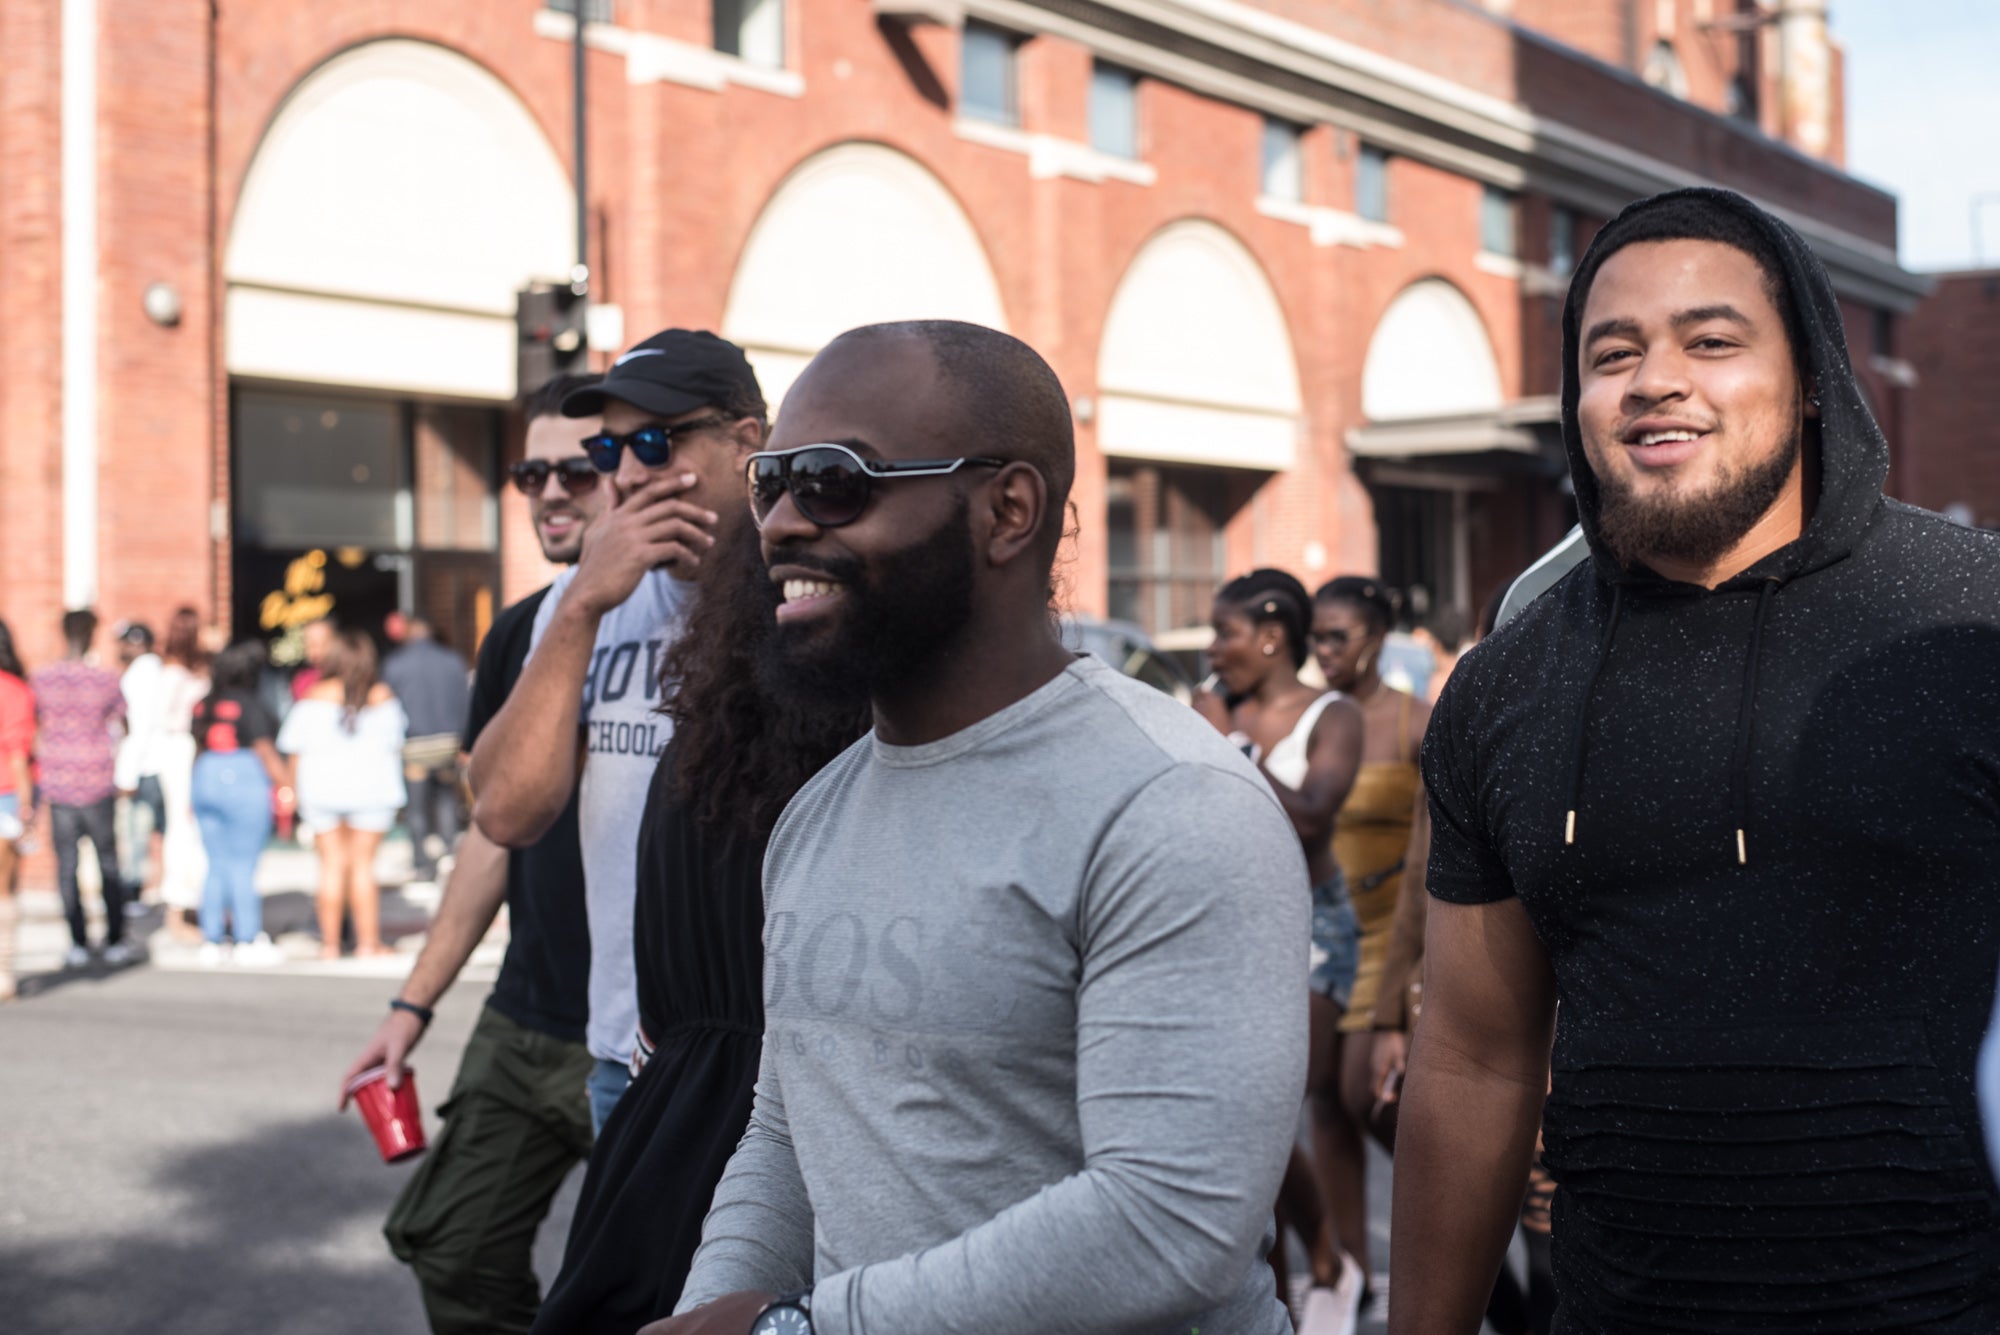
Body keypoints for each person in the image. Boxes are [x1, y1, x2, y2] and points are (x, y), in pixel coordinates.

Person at [1392, 187, 2000, 1333]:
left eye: (1709, 342)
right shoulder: (1501, 683)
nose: (1654, 379)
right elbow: (1474, 1058)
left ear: (1812, 375)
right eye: (1610, 352)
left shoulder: (1973, 620)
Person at [653, 320, 1307, 1335]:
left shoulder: (1172, 803)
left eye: (833, 480)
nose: (780, 522)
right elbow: (788, 1132)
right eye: (769, 482)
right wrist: (710, 1314)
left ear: (1007, 510)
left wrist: (799, 1329)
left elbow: (1169, 1223)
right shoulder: (818, 815)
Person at [530, 516, 872, 1335]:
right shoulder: (868, 785)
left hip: (661, 1140)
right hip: (809, 1152)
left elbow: (653, 981)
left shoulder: (688, 759)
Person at [337, 373, 608, 1335]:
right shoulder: (519, 633)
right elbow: (491, 837)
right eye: (531, 471)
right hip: (530, 1017)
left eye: (580, 467)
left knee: (659, 1291)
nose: (550, 491)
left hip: (661, 1039)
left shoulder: (704, 628)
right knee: (454, 1247)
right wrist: (411, 1006)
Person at [470, 329, 770, 1134]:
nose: (628, 474)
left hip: (772, 1062)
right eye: (610, 450)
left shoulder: (801, 588)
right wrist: (580, 605)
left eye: (653, 441)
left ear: (748, 444)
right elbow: (506, 810)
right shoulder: (587, 598)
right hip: (623, 1056)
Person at [1192, 568, 1365, 1308]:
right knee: (1239, 1109)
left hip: (1312, 922)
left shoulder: (1333, 715)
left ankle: (1328, 1250)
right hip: (1227, 921)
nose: (1212, 648)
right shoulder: (1208, 704)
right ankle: (1283, 1298)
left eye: (1224, 632)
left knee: (1277, 1103)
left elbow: (1310, 816)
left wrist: (1230, 745)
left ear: (1270, 636)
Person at [280, 629, 407, 958]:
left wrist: (290, 789)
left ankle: (331, 945)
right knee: (363, 868)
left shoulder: (311, 699)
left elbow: (295, 749)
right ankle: (367, 943)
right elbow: (397, 743)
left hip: (322, 791)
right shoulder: (383, 698)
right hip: (372, 790)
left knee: (331, 866)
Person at [32, 609, 135, 968]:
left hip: (58, 782)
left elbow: (32, 726)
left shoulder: (42, 679)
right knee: (108, 862)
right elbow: (125, 724)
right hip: (96, 780)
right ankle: (115, 939)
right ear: (92, 635)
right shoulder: (105, 679)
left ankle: (77, 942)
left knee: (68, 867)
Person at [188, 640, 291, 965]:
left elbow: (198, 748)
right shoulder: (250, 703)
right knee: (243, 865)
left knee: (216, 864)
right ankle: (247, 938)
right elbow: (264, 749)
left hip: (204, 777)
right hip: (242, 777)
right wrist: (287, 785)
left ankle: (212, 938)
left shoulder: (203, 704)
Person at [380, 616, 471, 882]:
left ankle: (422, 862)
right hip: (448, 742)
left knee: (417, 807)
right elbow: (466, 701)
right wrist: (466, 740)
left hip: (414, 744)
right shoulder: (453, 660)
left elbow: (386, 706)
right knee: (445, 799)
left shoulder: (396, 664)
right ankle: (448, 854)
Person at [153, 609, 214, 942]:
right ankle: (177, 907)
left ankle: (196, 903)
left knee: (196, 827)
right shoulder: (172, 671)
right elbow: (164, 718)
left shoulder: (199, 666)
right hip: (179, 749)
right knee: (182, 825)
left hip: (197, 747)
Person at [113, 621, 168, 905]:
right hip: (155, 764)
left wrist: (127, 775)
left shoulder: (141, 674)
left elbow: (139, 727)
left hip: (144, 767)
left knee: (137, 833)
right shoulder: (154, 669)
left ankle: (137, 892)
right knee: (158, 833)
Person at [0, 619, 33, 1001]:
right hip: (5, 795)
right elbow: (17, 754)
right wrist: (26, 805)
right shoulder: (15, 691)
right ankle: (4, 971)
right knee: (5, 888)